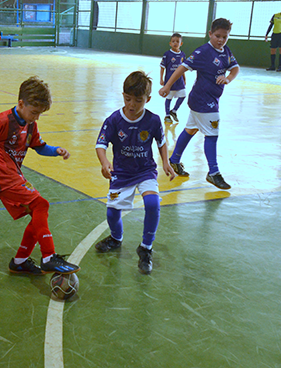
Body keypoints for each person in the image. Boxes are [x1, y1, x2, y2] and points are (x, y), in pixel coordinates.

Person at [0, 76, 80, 276]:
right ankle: (48, 257)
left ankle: (19, 262)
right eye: (34, 112)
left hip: (14, 176)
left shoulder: (30, 124)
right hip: (2, 177)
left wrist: (56, 151)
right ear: (21, 103)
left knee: (36, 216)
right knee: (41, 205)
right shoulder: (1, 121)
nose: (36, 117)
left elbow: (40, 147)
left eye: (39, 114)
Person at [94, 71, 175, 275]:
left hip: (145, 170)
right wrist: (105, 163)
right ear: (123, 95)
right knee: (112, 212)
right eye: (128, 99)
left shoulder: (154, 121)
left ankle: (146, 247)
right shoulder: (113, 120)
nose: (132, 105)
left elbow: (162, 143)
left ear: (147, 99)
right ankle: (116, 238)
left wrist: (166, 162)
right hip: (121, 173)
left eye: (138, 101)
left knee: (152, 204)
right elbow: (100, 145)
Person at [159, 18, 240, 190]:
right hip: (204, 101)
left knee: (190, 129)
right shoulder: (203, 52)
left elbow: (235, 68)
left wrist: (228, 78)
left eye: (224, 37)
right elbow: (182, 67)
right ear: (210, 34)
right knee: (212, 134)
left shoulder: (226, 51)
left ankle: (174, 160)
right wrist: (167, 86)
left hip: (209, 100)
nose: (220, 40)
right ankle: (213, 172)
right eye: (217, 36)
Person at [159, 33, 187, 123]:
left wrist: (184, 78)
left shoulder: (182, 55)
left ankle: (174, 111)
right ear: (170, 43)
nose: (175, 43)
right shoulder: (167, 54)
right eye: (173, 41)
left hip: (179, 81)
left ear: (181, 44)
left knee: (183, 95)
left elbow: (182, 68)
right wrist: (161, 79)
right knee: (169, 97)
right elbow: (162, 67)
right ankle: (167, 115)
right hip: (169, 81)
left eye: (177, 41)